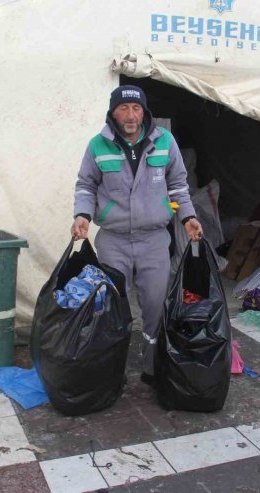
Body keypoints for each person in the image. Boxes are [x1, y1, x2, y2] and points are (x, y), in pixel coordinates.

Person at [72, 85, 203, 383]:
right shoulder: (97, 145)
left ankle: (152, 369)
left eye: (136, 109)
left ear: (144, 112)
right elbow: (85, 185)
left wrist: (188, 217)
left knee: (155, 306)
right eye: (124, 108)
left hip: (154, 241)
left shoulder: (165, 141)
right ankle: (112, 370)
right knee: (110, 308)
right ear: (113, 112)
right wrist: (82, 215)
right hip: (113, 241)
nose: (131, 115)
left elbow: (179, 185)